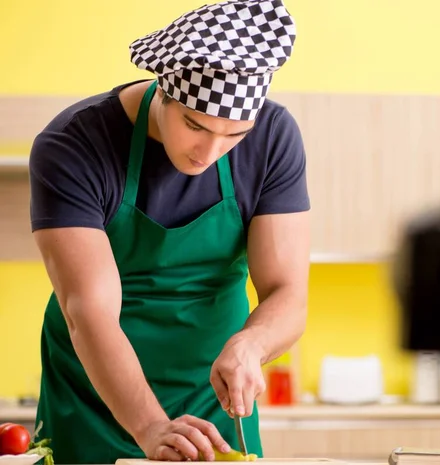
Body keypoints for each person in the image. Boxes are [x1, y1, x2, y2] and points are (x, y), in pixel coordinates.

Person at [28, 1, 310, 463]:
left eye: (234, 136)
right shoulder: (74, 146)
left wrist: (251, 344)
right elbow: (89, 313)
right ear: (163, 89)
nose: (210, 153)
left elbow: (287, 293)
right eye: (195, 126)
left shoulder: (275, 138)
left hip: (215, 401)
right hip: (93, 396)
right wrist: (151, 425)